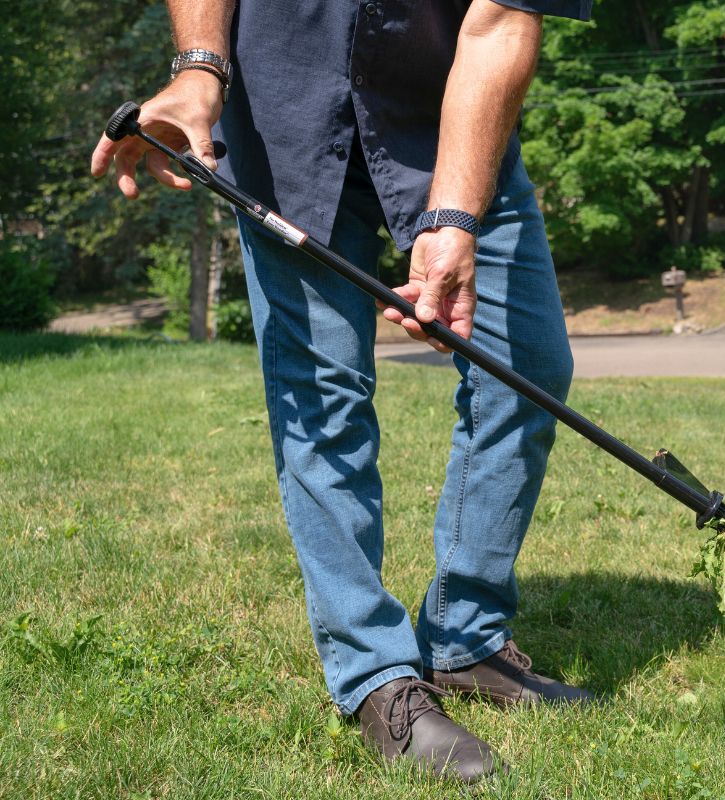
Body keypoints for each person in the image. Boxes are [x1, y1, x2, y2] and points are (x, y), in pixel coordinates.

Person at [91, 0, 594, 785]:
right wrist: (199, 69)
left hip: (449, 130)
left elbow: (499, 21)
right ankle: (376, 676)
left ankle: (465, 638)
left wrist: (454, 214)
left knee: (525, 366)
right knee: (322, 400)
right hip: (287, 130)